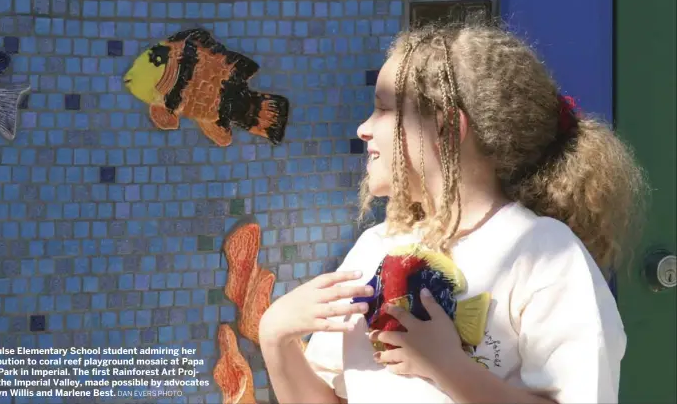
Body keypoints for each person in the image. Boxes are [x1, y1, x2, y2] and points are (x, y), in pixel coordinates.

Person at [258, 22, 648, 404]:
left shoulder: (544, 252)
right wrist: (276, 336)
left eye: (382, 109)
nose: (363, 128)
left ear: (445, 129)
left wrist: (449, 368)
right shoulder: (373, 248)